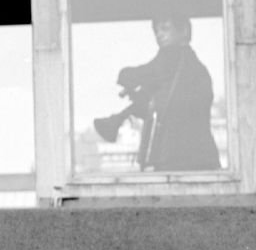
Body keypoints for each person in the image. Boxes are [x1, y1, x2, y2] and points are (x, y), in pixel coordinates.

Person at [93, 16, 221, 171]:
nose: (159, 35)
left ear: (184, 31)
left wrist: (128, 81)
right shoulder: (189, 67)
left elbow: (134, 75)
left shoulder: (172, 58)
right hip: (198, 158)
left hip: (179, 158)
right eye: (156, 30)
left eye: (165, 28)